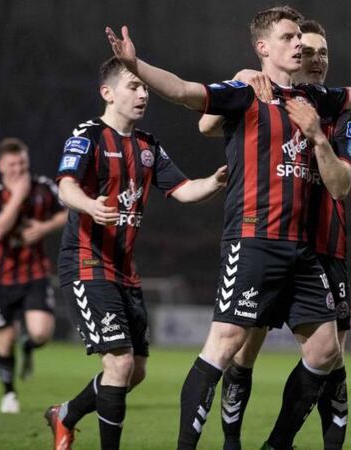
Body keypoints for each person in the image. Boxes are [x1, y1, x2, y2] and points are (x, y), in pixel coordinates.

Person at [105, 6, 351, 449]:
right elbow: (186, 92)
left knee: (325, 351)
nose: (298, 43)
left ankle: (276, 444)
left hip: (302, 249)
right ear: (263, 47)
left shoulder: (315, 101)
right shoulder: (245, 93)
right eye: (288, 37)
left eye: (299, 37)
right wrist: (135, 64)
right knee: (225, 346)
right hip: (254, 239)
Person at [199, 19, 351, 450]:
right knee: (243, 352)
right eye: (305, 50)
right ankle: (231, 441)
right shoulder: (264, 99)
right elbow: (207, 124)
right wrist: (240, 78)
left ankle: (283, 443)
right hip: (269, 241)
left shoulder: (340, 118)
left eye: (322, 53)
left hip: (324, 250)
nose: (314, 59)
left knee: (330, 359)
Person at [43, 56, 228, 450]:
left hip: (125, 270)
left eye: (145, 87)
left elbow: (183, 191)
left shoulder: (147, 146)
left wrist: (213, 181)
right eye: (133, 86)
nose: (144, 93)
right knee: (119, 364)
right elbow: (66, 187)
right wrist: (90, 206)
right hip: (85, 261)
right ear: (107, 93)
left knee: (135, 371)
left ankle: (66, 414)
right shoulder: (87, 135)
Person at [0, 137, 68, 414]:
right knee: (4, 340)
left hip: (36, 273)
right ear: (0, 166)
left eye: (22, 163)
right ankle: (9, 394)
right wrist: (17, 196)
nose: (19, 169)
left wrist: (44, 227)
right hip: (1, 278)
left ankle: (29, 346)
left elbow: (69, 211)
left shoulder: (43, 187)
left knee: (41, 333)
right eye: (12, 164)